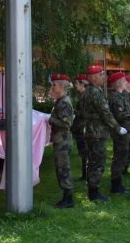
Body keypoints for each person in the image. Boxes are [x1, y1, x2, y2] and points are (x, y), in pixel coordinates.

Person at [81, 65, 127, 201]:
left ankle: (92, 189)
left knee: (92, 161)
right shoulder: (96, 92)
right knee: (97, 162)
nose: (104, 78)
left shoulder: (86, 91)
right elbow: (105, 113)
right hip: (97, 132)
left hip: (90, 131)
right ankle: (94, 193)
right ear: (93, 77)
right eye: (101, 75)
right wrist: (117, 128)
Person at [48, 73, 75, 208]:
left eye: (54, 85)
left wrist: (49, 119)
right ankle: (66, 196)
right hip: (61, 140)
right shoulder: (60, 100)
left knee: (63, 168)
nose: (52, 87)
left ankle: (68, 199)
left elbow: (66, 123)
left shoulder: (64, 102)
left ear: (61, 86)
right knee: (61, 168)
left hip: (63, 140)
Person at [107, 72, 130, 194]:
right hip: (120, 132)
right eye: (123, 80)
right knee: (119, 157)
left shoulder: (121, 95)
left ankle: (118, 183)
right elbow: (120, 115)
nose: (125, 82)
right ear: (118, 82)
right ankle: (115, 185)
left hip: (125, 130)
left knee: (122, 156)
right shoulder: (115, 97)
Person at [71, 74, 89, 181]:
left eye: (76, 83)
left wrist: (73, 111)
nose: (74, 85)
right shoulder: (82, 95)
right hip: (80, 128)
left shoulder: (85, 96)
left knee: (85, 152)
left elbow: (84, 113)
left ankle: (86, 175)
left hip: (83, 128)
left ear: (82, 84)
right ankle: (85, 175)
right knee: (83, 152)